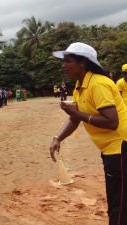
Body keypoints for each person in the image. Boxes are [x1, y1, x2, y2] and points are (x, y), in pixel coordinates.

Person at [49, 42, 127, 225]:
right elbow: (75, 119)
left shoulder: (98, 84)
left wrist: (77, 113)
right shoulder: (80, 85)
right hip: (111, 150)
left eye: (67, 61)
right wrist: (58, 138)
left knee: (119, 204)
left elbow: (111, 121)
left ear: (82, 62)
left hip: (121, 148)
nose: (63, 65)